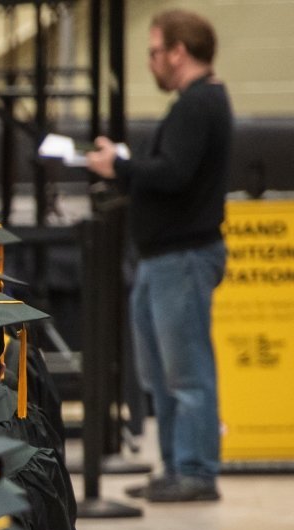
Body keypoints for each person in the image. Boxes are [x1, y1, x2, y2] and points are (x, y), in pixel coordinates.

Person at [88, 9, 233, 504]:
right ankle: (176, 466)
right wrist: (124, 163)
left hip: (183, 256)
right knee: (161, 373)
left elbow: (174, 174)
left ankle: (196, 469)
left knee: (187, 371)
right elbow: (170, 168)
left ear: (178, 51)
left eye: (154, 51)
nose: (151, 61)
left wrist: (121, 165)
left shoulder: (200, 103)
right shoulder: (190, 104)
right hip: (162, 256)